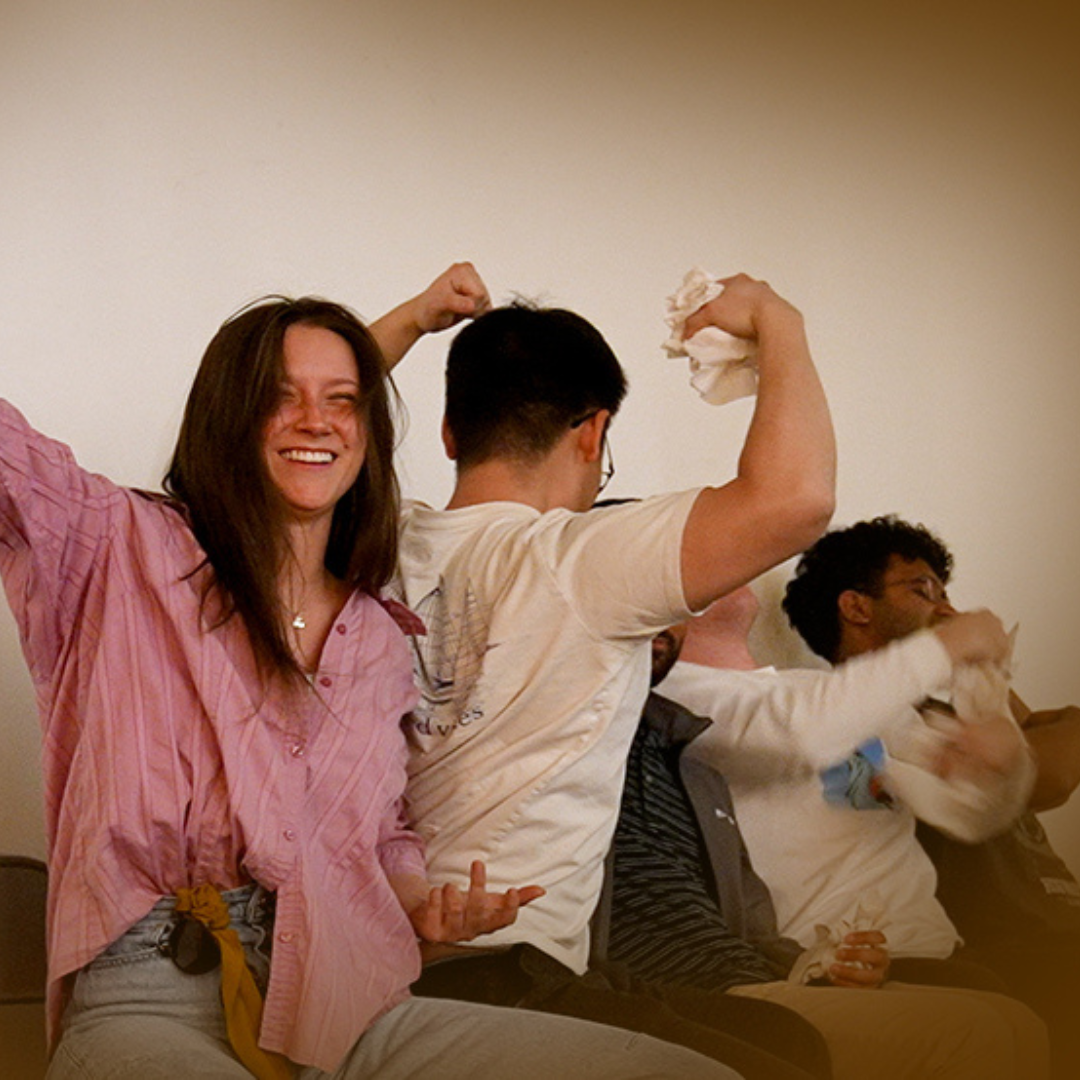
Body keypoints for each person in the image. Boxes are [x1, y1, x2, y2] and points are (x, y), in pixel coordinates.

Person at [0, 290, 742, 1079]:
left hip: (343, 1005)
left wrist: (420, 901)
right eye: (278, 399)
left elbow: (381, 830)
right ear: (227, 416)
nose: (315, 420)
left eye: (343, 401)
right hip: (148, 999)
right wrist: (416, 316)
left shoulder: (378, 634)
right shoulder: (115, 546)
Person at [383, 264, 837, 1078]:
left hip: (426, 959)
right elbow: (796, 499)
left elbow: (263, 437)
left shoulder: (376, 542)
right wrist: (777, 318)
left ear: (450, 433)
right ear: (591, 433)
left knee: (789, 1043)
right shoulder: (578, 557)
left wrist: (413, 321)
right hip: (496, 969)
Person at [601, 595, 1052, 1080]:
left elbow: (973, 812)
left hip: (902, 948)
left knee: (1022, 1023)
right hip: (842, 954)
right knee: (987, 1023)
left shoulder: (827, 689)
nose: (743, 570)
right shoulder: (679, 698)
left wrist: (995, 737)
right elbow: (799, 732)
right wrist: (945, 647)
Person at [782, 515, 1080, 1078]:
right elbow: (1052, 777)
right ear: (856, 607)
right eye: (922, 591)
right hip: (987, 950)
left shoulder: (940, 717)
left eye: (947, 594)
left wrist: (982, 680)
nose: (947, 609)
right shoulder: (819, 717)